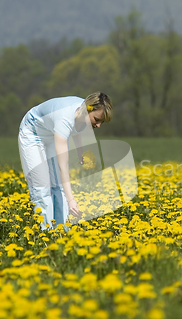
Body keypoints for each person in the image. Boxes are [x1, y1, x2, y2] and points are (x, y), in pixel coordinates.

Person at [18, 92, 113, 230]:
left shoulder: (83, 112)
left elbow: (78, 128)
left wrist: (80, 151)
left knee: (58, 186)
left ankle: (62, 232)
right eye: (97, 120)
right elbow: (63, 167)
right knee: (42, 187)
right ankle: (46, 234)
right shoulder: (65, 119)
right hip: (32, 133)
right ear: (87, 111)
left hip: (52, 133)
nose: (99, 126)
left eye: (102, 122)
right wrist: (71, 200)